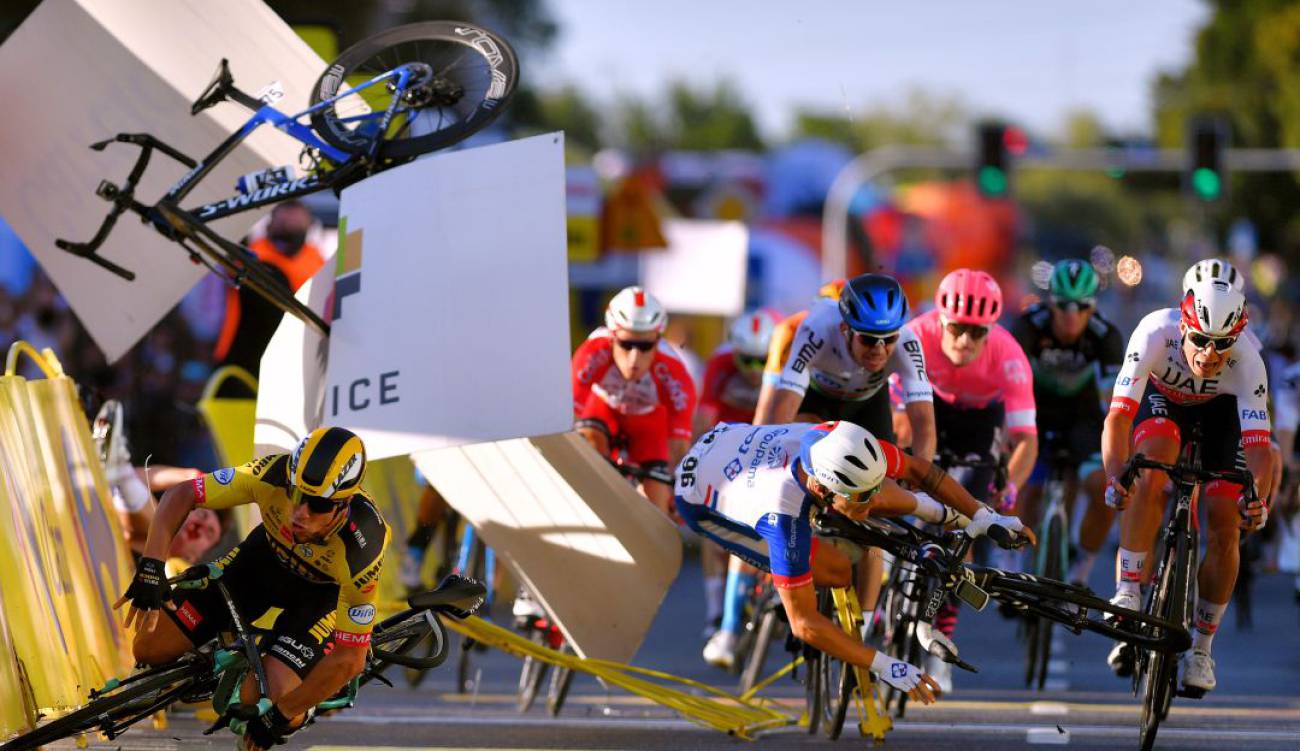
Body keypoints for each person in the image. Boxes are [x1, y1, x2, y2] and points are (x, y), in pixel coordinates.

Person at [676, 420, 1032, 698]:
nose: (873, 501)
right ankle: (771, 597)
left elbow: (919, 471)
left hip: (728, 441)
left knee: (872, 498)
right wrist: (885, 665)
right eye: (860, 497)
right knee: (837, 568)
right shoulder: (781, 518)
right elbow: (805, 623)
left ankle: (933, 511)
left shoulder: (837, 438)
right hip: (699, 499)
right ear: (821, 489)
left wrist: (985, 515)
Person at [114, 427, 389, 751]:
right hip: (262, 564)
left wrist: (282, 715)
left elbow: (350, 659)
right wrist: (152, 565)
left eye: (317, 505)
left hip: (320, 598)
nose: (300, 512)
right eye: (296, 494)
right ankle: (207, 652)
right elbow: (183, 494)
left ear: (343, 506)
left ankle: (298, 700)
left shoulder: (364, 546)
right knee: (148, 647)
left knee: (264, 699)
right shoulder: (271, 473)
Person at [1102, 274, 1273, 694]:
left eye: (1222, 342)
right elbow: (1119, 418)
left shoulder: (1249, 360)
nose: (1210, 353)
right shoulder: (1154, 333)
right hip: (1164, 406)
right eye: (1200, 339)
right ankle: (1128, 590)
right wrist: (1115, 474)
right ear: (1183, 325)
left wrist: (1258, 499)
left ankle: (1201, 648)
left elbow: (1258, 448)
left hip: (1222, 417)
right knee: (1151, 464)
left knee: (1225, 517)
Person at [905, 268, 1038, 692]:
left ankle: (941, 634)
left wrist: (1010, 488)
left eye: (976, 333)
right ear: (940, 321)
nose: (965, 340)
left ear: (990, 330)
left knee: (962, 521)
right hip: (926, 409)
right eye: (957, 329)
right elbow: (893, 414)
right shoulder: (915, 336)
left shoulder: (1008, 355)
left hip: (980, 422)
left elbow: (1025, 440)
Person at [1010, 260, 1124, 587]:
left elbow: (1114, 401)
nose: (1071, 314)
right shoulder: (1029, 326)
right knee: (1027, 487)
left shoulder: (1106, 337)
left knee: (1103, 490)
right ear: (1050, 303)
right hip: (1035, 412)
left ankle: (1081, 571)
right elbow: (1009, 383)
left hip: (1084, 417)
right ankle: (1014, 561)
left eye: (1081, 307)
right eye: (1062, 306)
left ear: (1093, 307)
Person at [755, 274, 935, 461]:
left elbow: (924, 422)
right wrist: (771, 461)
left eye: (889, 339)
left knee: (882, 467)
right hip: (816, 398)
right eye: (868, 339)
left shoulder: (908, 342)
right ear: (844, 329)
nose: (878, 350)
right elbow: (782, 406)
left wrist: (923, 482)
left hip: (868, 401)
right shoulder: (817, 330)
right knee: (803, 450)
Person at [695, 308, 781, 664]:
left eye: (763, 361)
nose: (755, 370)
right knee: (713, 530)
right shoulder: (720, 363)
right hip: (728, 442)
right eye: (747, 360)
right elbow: (703, 418)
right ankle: (717, 612)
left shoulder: (786, 362)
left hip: (771, 443)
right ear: (735, 353)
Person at [571, 286, 697, 517]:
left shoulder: (674, 373)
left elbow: (679, 447)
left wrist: (676, 493)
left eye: (645, 346)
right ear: (612, 336)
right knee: (590, 444)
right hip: (602, 411)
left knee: (658, 506)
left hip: (647, 423)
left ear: (658, 340)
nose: (634, 358)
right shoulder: (592, 352)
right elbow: (567, 420)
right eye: (626, 344)